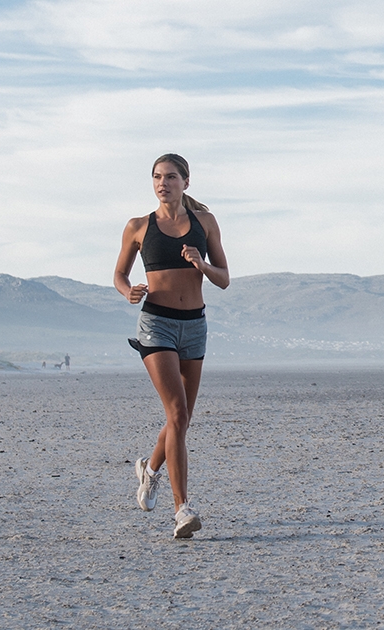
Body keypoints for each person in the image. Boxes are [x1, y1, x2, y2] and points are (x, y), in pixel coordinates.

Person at [114, 153, 229, 539]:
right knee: (177, 412)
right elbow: (119, 274)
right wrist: (130, 291)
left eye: (172, 177)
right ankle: (183, 510)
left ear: (186, 182)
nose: (164, 183)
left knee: (180, 420)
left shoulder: (205, 223)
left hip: (194, 327)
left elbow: (224, 278)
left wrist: (202, 265)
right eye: (158, 177)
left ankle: (149, 472)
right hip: (157, 324)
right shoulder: (138, 226)